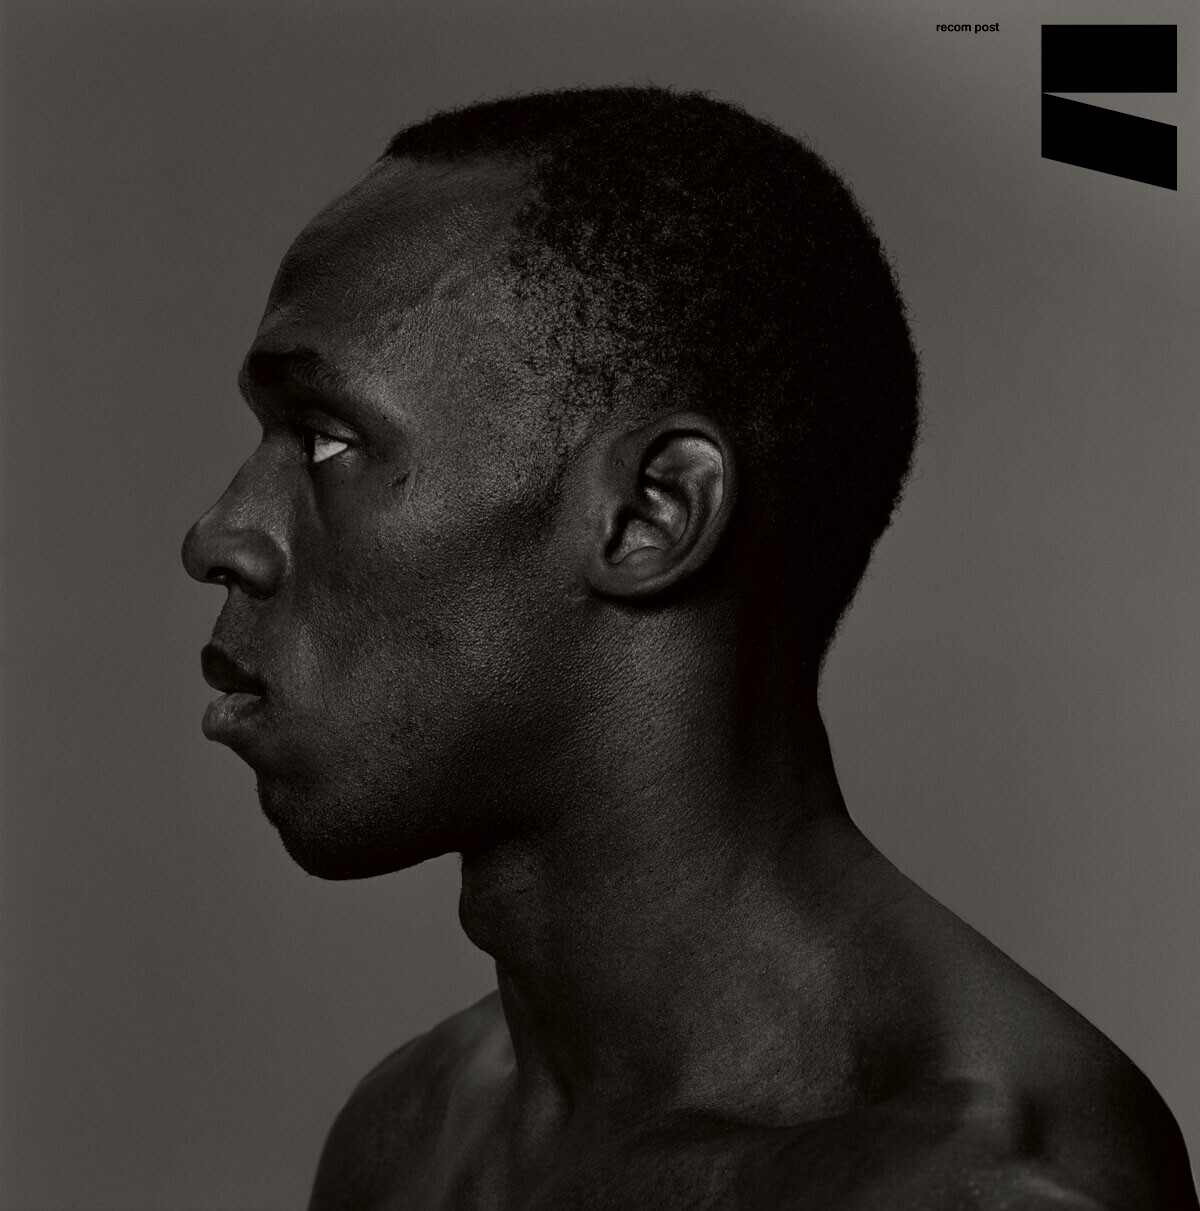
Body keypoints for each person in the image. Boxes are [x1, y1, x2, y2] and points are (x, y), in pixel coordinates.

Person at [182, 87, 1196, 1210]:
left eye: (327, 441)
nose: (220, 534)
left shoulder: (979, 1185)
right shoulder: (409, 1133)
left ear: (651, 514)